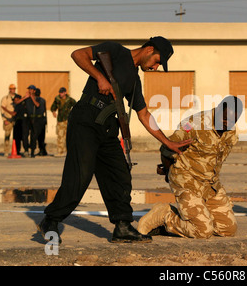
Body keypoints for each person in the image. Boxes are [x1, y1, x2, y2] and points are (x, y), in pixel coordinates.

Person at [37, 37, 193, 244]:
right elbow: (78, 54)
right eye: (157, 61)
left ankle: (122, 226)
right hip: (86, 120)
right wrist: (99, 77)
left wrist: (167, 142)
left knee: (119, 176)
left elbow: (144, 114)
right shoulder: (115, 51)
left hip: (108, 128)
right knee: (80, 175)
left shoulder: (135, 81)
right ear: (149, 49)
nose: (156, 67)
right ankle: (51, 220)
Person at [137, 96, 243, 239]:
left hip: (210, 184)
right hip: (187, 180)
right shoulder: (194, 124)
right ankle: (165, 216)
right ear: (218, 110)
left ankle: (199, 216)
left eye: (232, 121)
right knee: (203, 232)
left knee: (227, 230)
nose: (227, 124)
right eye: (224, 119)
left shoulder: (230, 129)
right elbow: (166, 148)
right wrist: (169, 172)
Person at [51, 87, 76, 157]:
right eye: (60, 92)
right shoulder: (57, 99)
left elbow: (76, 106)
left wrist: (73, 114)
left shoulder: (70, 100)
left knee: (68, 136)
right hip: (60, 120)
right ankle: (60, 151)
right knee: (60, 136)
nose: (60, 94)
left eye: (62, 92)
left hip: (68, 120)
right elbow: (53, 107)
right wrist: (53, 112)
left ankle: (69, 151)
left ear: (65, 92)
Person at [0, 84, 17, 156]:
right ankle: (6, 151)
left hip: (15, 119)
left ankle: (17, 150)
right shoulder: (5, 98)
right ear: (9, 89)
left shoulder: (17, 97)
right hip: (8, 119)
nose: (12, 90)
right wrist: (4, 120)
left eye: (14, 89)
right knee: (7, 135)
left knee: (17, 136)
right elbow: (2, 109)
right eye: (11, 89)